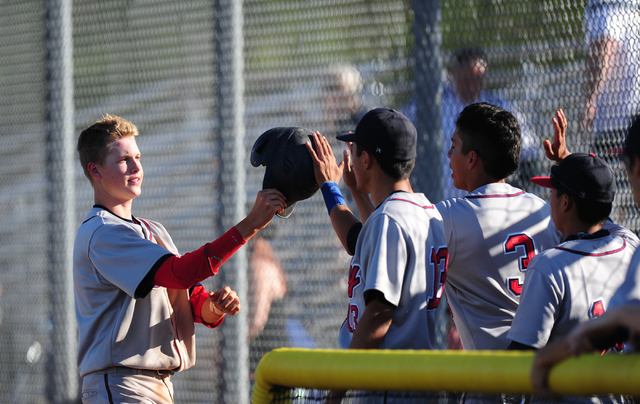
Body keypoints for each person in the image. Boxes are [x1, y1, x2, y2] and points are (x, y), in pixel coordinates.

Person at [74, 114, 285, 403]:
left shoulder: (151, 229)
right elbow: (180, 273)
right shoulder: (102, 231)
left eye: (138, 157)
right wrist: (249, 226)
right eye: (124, 160)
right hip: (120, 383)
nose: (136, 167)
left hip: (155, 384)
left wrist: (213, 306)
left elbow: (190, 301)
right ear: (95, 171)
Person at [306, 108, 448, 351]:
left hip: (385, 380)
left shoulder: (389, 220)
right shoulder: (427, 211)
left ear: (367, 160)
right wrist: (341, 190)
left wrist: (344, 382)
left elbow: (378, 315)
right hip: (417, 372)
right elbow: (362, 240)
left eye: (354, 150)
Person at [433, 103, 566, 350]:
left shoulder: (448, 217)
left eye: (454, 147)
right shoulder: (545, 209)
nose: (449, 156)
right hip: (546, 370)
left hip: (493, 376)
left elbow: (373, 241)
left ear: (472, 159)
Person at [531, 115, 640, 397]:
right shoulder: (628, 243)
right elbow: (598, 209)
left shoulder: (547, 265)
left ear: (637, 168)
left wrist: (573, 342)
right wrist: (569, 164)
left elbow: (628, 316)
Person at [507, 153, 636, 351]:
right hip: (625, 379)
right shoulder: (630, 248)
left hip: (576, 381)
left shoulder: (548, 265)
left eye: (552, 194)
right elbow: (599, 210)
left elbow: (522, 354)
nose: (549, 201)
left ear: (565, 202)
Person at [403, 48, 536, 198]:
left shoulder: (497, 105)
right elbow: (402, 127)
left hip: (487, 198)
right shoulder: (435, 103)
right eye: (466, 80)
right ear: (453, 75)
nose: (472, 86)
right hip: (440, 198)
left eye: (477, 79)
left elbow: (528, 150)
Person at [582, 0, 640, 152]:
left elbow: (604, 46)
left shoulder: (604, 5)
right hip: (631, 121)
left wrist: (591, 99)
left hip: (613, 126)